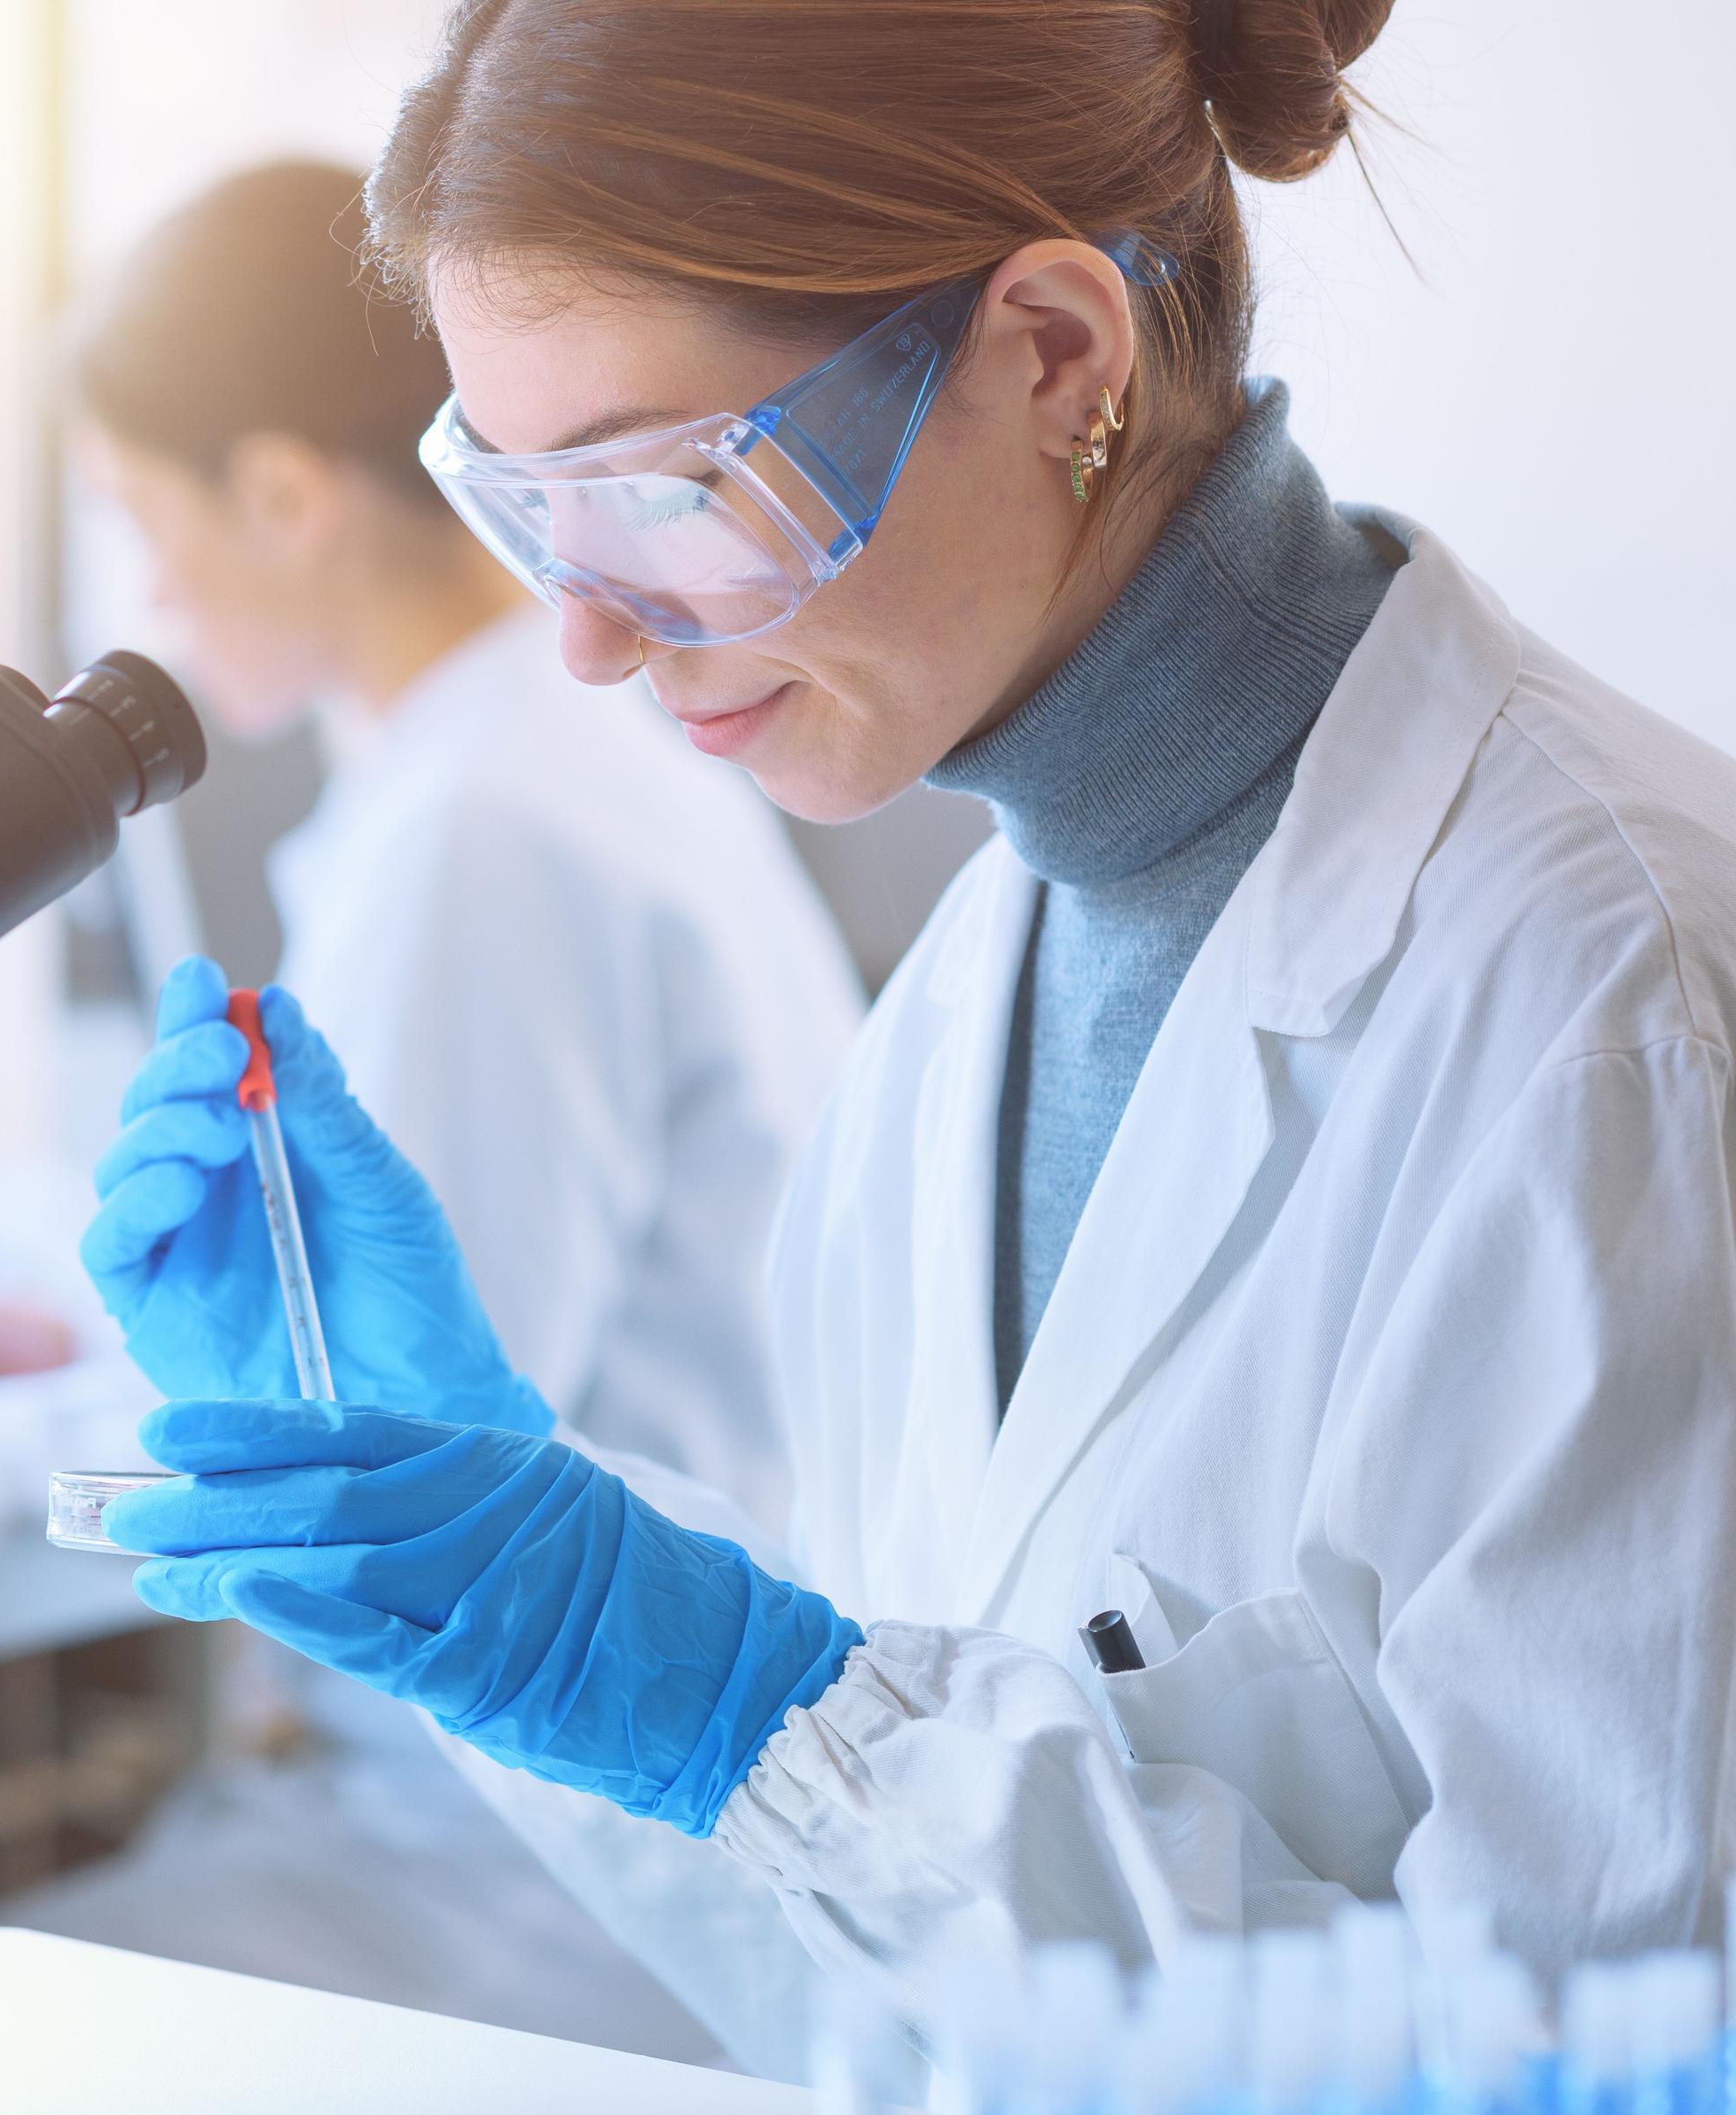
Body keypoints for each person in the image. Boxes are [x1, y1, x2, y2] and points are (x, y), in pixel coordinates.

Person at [86, 0, 1736, 2036]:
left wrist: (723, 1691)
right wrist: (532, 1591)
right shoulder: (974, 1000)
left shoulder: (1616, 1020)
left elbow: (1613, 2048)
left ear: (1057, 354)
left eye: (669, 491)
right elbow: (883, 1969)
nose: (591, 638)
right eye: (532, 510)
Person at [0, 159, 864, 2058]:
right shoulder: (533, 754)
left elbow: (373, 1469)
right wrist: (50, 1346)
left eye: (146, 521)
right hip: (558, 1779)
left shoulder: (477, 831)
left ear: (285, 493)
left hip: (545, 1855)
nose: (149, 598)